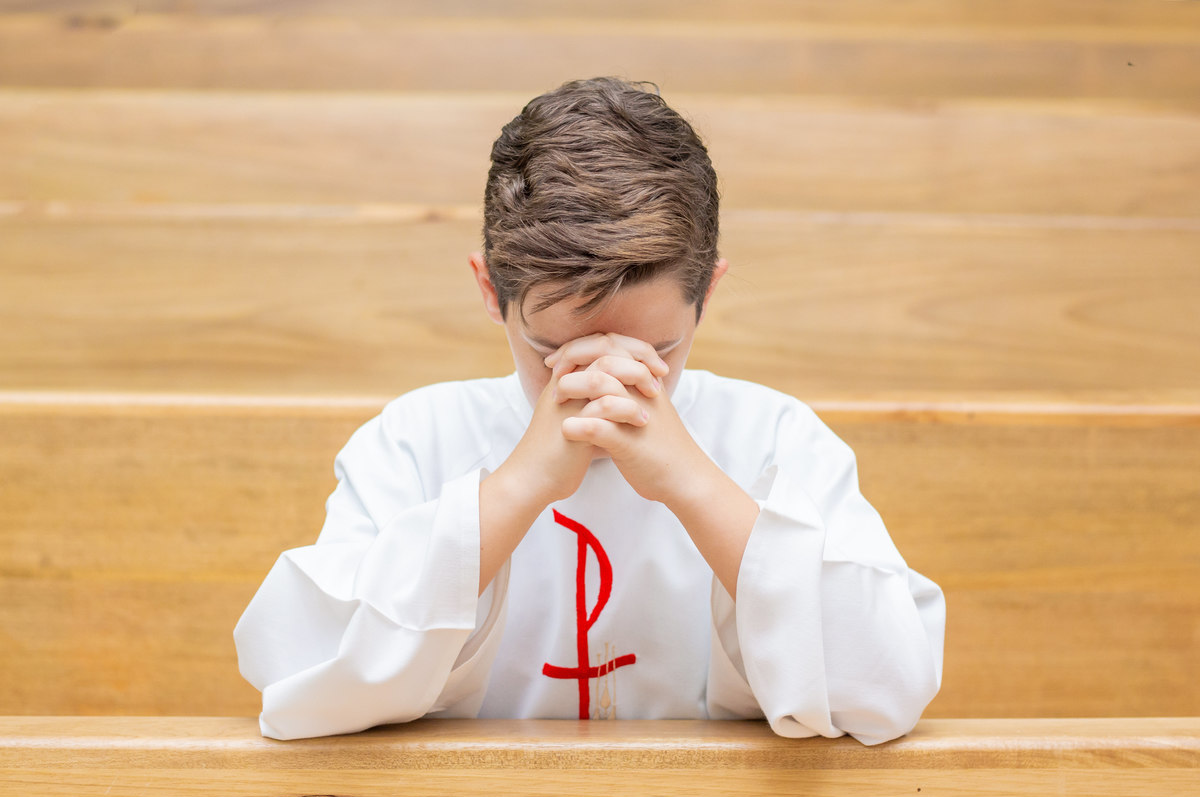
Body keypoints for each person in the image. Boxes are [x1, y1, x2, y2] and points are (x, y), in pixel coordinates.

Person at [233, 76, 945, 745]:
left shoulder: (773, 439)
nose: (605, 388)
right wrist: (518, 486)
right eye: (554, 353)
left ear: (709, 293)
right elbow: (300, 680)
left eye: (656, 352)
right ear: (490, 291)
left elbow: (886, 688)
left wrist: (691, 482)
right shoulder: (415, 441)